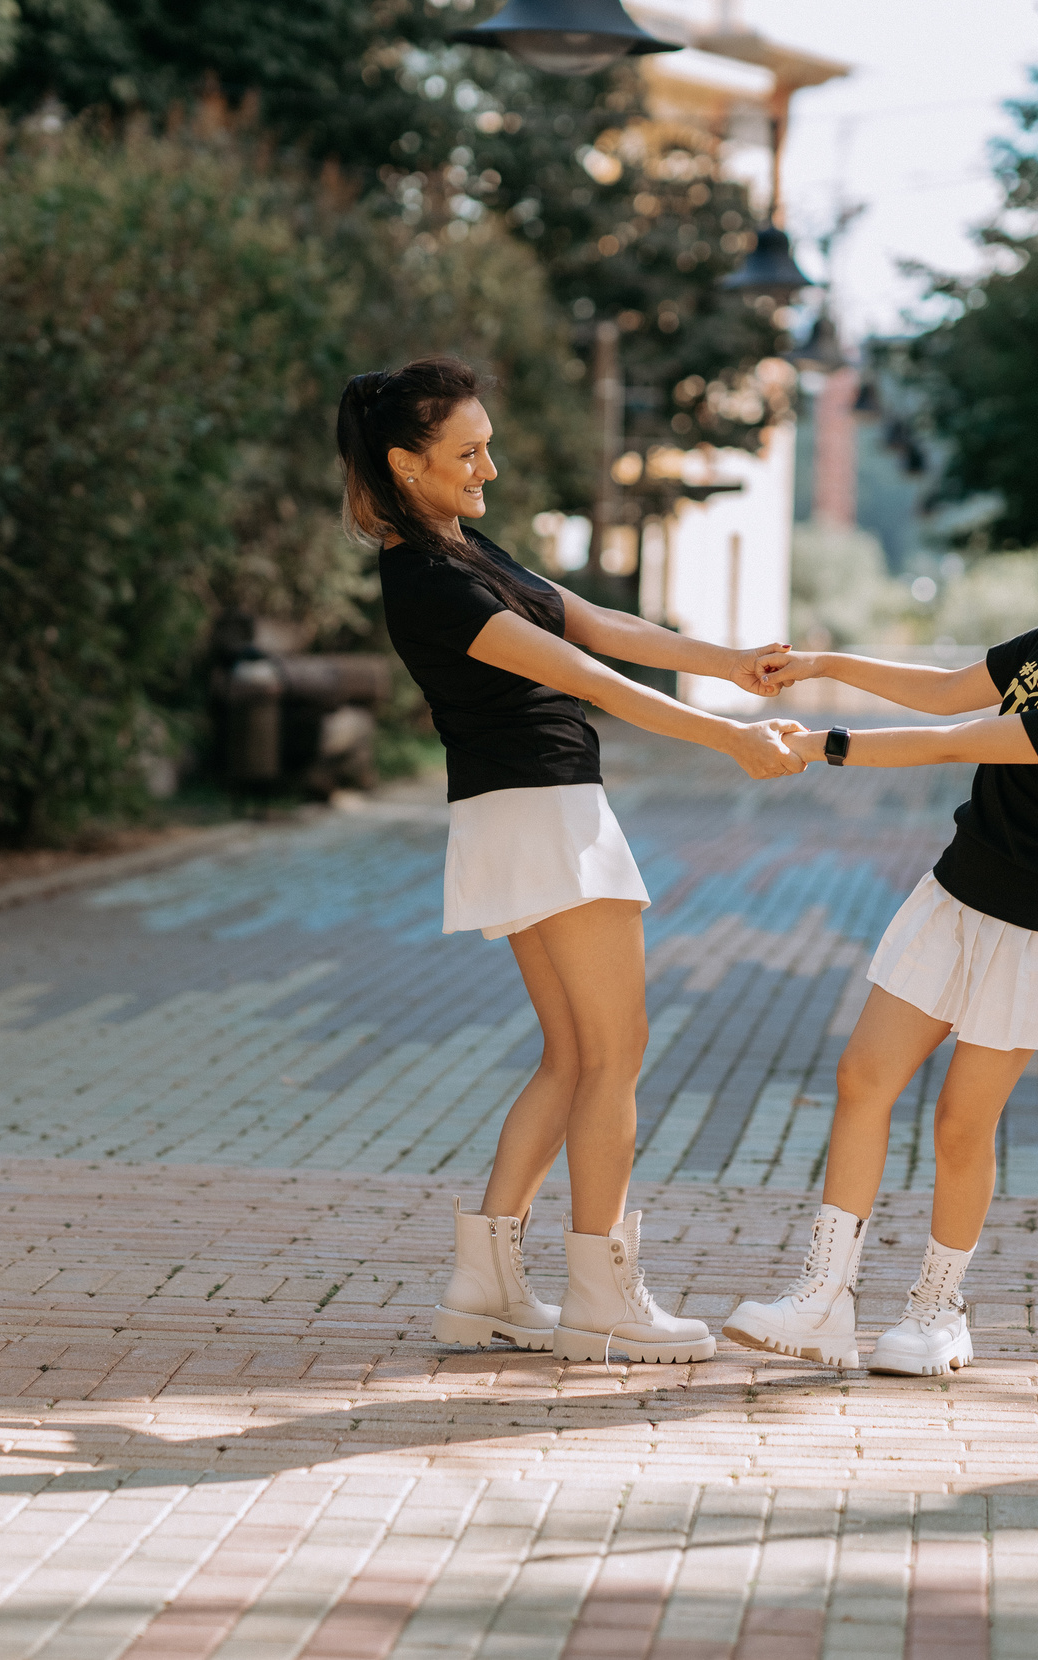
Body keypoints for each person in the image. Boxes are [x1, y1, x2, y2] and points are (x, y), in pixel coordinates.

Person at [336, 356, 805, 1365]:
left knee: (574, 1055)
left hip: (526, 813)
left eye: (486, 445)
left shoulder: (461, 549)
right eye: (467, 451)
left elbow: (595, 623)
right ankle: (603, 1291)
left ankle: (486, 1284)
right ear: (405, 465)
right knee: (616, 1052)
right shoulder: (424, 579)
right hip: (544, 811)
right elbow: (581, 674)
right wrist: (726, 738)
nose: (487, 467)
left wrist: (730, 664)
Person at [724, 474, 1038, 1375]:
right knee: (862, 1076)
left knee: (963, 1124)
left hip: (1037, 929)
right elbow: (945, 691)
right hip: (958, 893)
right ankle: (821, 1302)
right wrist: (822, 665)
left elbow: (957, 738)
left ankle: (936, 1312)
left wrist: (823, 746)